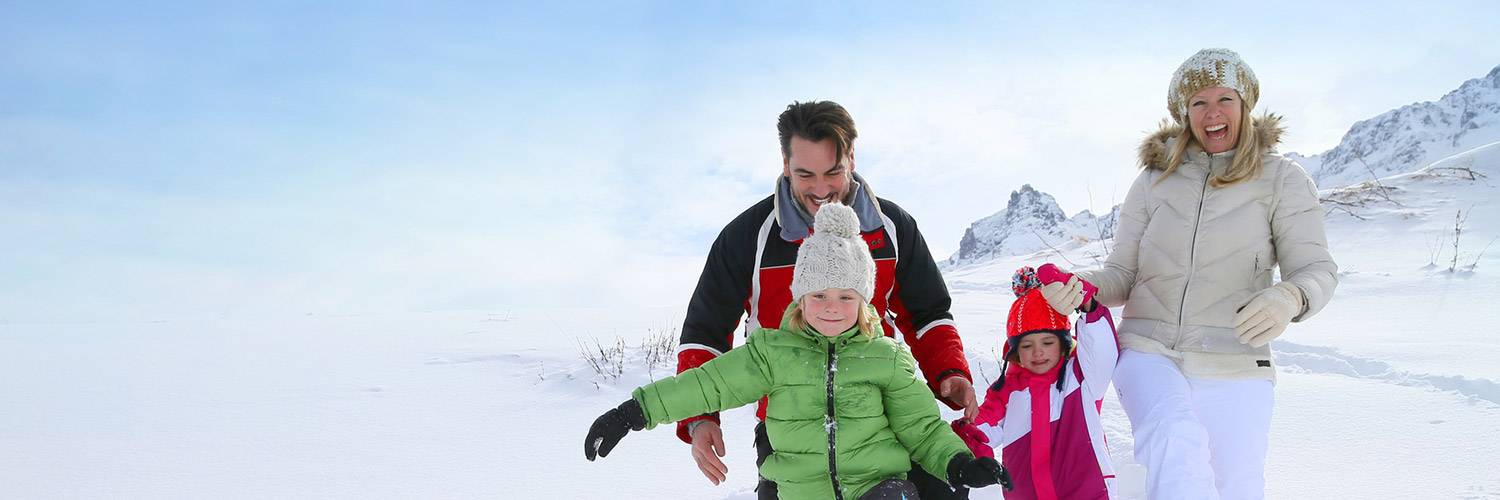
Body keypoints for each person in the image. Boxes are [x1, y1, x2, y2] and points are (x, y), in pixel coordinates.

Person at [585, 204, 1009, 500]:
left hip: (879, 489)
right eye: (819, 294)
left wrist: (958, 464)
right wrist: (633, 413)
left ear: (863, 302)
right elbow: (707, 385)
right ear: (799, 298)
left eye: (847, 297)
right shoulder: (771, 352)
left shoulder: (885, 356)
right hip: (801, 490)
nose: (831, 307)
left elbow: (921, 427)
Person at [1064, 48, 1339, 499]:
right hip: (1148, 348)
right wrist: (1080, 288)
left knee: (1238, 486)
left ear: (1245, 104)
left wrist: (1290, 297)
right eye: (1198, 103)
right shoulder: (1153, 180)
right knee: (1173, 440)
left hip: (1237, 356)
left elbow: (1316, 268)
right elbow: (1122, 273)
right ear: (1183, 113)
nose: (1212, 113)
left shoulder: (1282, 179)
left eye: (1224, 99)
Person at [676, 100, 977, 498]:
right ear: (785, 164)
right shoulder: (747, 238)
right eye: (805, 174)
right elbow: (705, 332)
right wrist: (701, 418)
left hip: (885, 408)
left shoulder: (892, 228)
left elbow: (928, 314)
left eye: (833, 172)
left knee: (945, 487)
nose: (821, 190)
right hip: (790, 422)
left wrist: (949, 373)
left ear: (852, 157)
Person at [953, 265, 1118, 500]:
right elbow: (983, 428)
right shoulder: (1007, 392)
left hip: (1087, 490)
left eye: (1047, 343)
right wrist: (967, 436)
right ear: (1015, 352)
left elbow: (1103, 351)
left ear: (1063, 343)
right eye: (1027, 346)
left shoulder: (1081, 378)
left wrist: (1088, 305)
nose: (1038, 353)